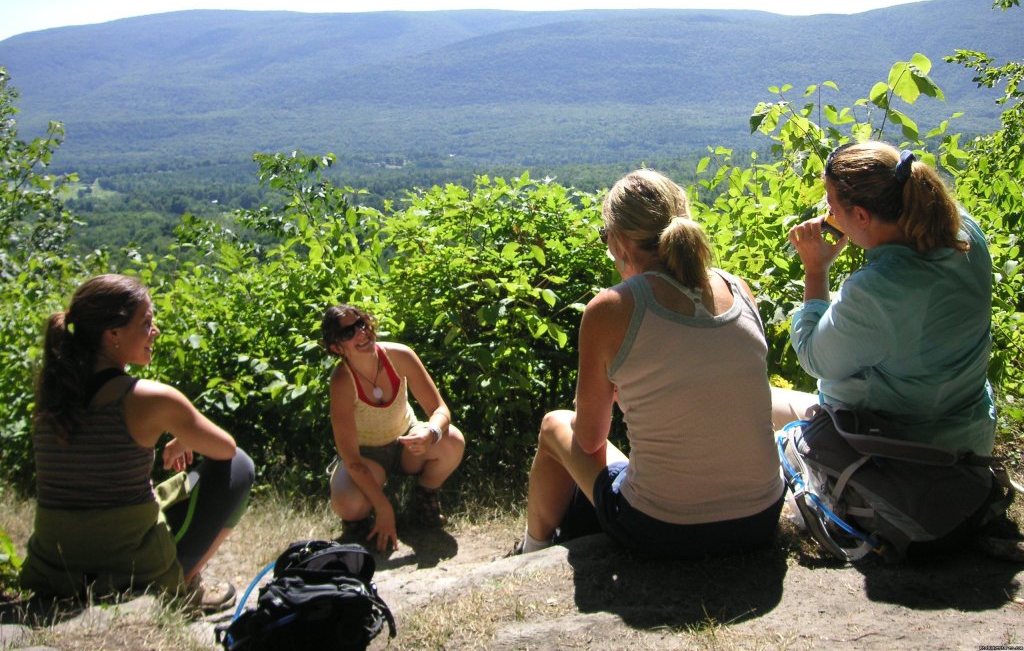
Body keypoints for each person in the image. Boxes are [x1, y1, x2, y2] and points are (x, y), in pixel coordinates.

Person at [511, 168, 785, 558]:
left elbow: (588, 439)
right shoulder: (739, 289)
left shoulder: (611, 309)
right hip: (760, 519)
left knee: (555, 424)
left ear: (620, 241)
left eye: (607, 237)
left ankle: (532, 550)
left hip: (662, 529)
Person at [20, 274, 254, 611]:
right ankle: (184, 584)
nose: (155, 332)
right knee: (240, 464)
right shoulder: (148, 397)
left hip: (55, 565)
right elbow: (225, 449)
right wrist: (182, 437)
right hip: (128, 565)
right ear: (113, 334)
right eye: (146, 323)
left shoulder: (54, 391)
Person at [771, 141, 996, 457]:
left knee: (752, 402)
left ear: (861, 216)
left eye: (832, 206)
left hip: (896, 454)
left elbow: (814, 358)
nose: (828, 213)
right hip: (968, 438)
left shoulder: (880, 290)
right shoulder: (962, 229)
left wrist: (815, 270)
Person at [322, 304, 465, 553]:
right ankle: (360, 520)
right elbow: (352, 458)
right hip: (367, 457)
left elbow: (440, 410)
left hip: (406, 442)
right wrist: (384, 508)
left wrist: (430, 432)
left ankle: (424, 498)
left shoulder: (399, 356)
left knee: (452, 439)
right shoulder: (342, 381)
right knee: (347, 503)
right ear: (336, 347)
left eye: (361, 324)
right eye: (348, 333)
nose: (361, 333)